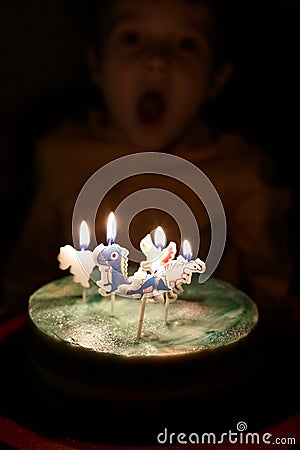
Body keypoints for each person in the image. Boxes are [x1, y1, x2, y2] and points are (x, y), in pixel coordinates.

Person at [0, 0, 295, 323]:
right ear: (96, 64)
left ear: (216, 78)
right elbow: (27, 276)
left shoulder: (242, 173)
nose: (157, 60)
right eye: (132, 38)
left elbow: (275, 298)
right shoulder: (60, 154)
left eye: (186, 43)